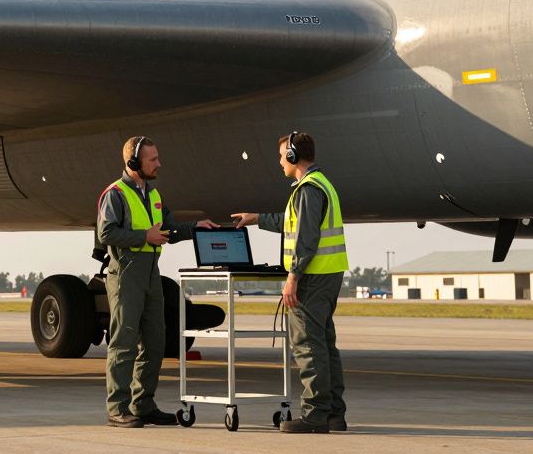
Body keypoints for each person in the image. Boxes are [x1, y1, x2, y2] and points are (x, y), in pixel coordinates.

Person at [97, 135, 217, 428]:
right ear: (134, 162)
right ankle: (117, 408)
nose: (159, 163)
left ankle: (143, 404)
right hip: (126, 273)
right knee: (124, 342)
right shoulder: (115, 194)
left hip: (151, 273)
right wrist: (144, 237)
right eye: (153, 159)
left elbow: (168, 230)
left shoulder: (154, 194)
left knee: (155, 341)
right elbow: (106, 233)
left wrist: (195, 228)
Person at [232, 132, 348, 434]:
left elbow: (306, 239)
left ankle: (315, 415)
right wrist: (256, 218)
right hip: (327, 275)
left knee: (308, 346)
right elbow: (292, 222)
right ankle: (333, 413)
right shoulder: (320, 184)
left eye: (282, 155)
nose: (280, 161)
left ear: (294, 156)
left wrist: (292, 278)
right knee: (324, 345)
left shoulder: (308, 189)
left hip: (311, 278)